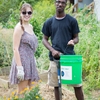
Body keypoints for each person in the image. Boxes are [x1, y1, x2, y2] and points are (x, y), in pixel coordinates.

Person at [42, 0, 84, 100]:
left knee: (77, 85)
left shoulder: (72, 21)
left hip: (69, 59)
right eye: (57, 2)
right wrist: (52, 50)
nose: (60, 4)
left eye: (62, 2)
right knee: (57, 86)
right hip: (55, 59)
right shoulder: (49, 22)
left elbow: (76, 38)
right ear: (54, 3)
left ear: (66, 4)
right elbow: (44, 39)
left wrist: (73, 41)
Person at [9, 3, 39, 94]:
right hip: (22, 62)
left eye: (29, 12)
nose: (27, 14)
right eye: (24, 12)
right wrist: (20, 68)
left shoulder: (30, 27)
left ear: (31, 14)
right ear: (20, 13)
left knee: (33, 90)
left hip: (30, 61)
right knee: (22, 92)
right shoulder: (19, 28)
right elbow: (15, 48)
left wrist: (33, 58)